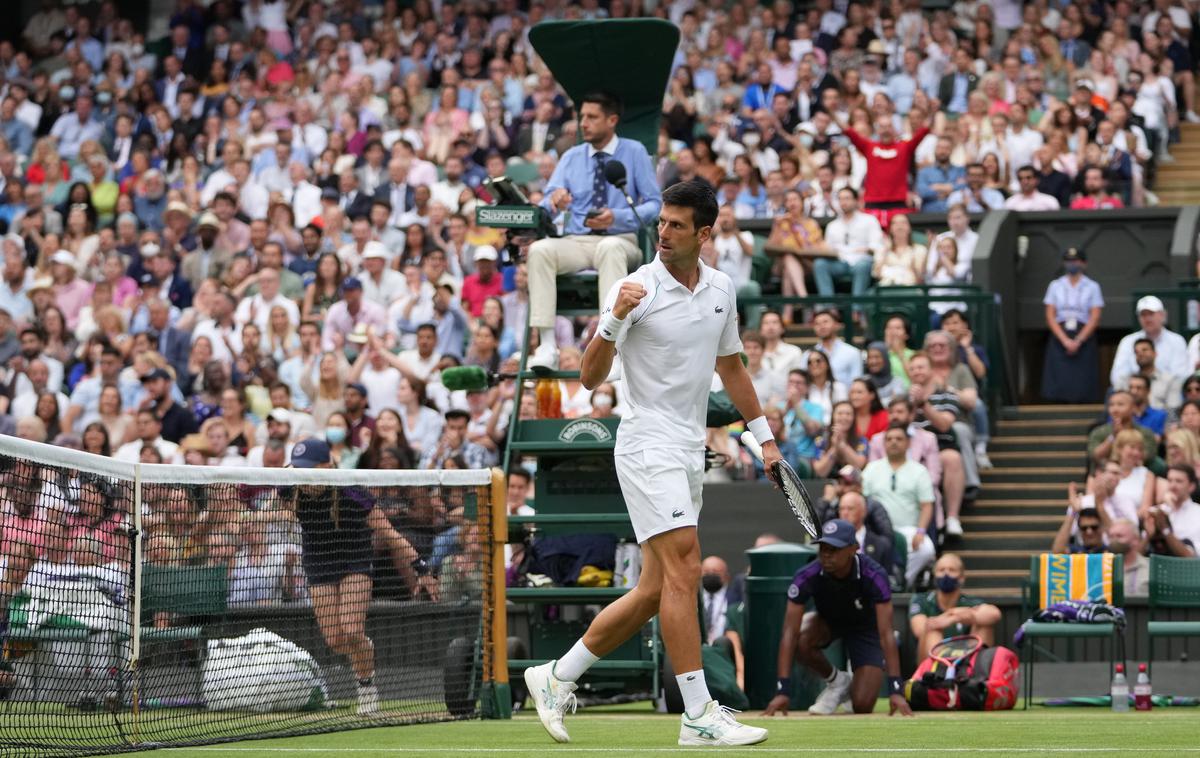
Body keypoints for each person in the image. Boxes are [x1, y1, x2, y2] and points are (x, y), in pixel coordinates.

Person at [524, 181, 770, 747]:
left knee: (656, 590)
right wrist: (612, 319)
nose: (663, 232)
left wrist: (765, 439)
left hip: (686, 448)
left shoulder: (721, 289)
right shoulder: (635, 288)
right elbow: (588, 378)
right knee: (687, 567)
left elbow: (732, 368)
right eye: (661, 222)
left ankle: (556, 675)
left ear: (704, 234)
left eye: (677, 225)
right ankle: (698, 715)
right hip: (644, 444)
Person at [526, 92, 662, 372]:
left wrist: (618, 217)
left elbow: (654, 204)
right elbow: (545, 206)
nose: (583, 123)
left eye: (591, 117)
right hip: (577, 240)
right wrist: (554, 201)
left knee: (609, 248)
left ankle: (609, 344)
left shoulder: (634, 151)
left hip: (620, 240)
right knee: (539, 250)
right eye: (582, 117)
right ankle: (547, 345)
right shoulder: (571, 156)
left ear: (612, 120)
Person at [761, 519, 912, 717]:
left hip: (865, 629)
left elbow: (886, 633)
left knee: (862, 705)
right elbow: (789, 633)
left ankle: (855, 677)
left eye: (834, 549)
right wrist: (782, 690)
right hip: (827, 622)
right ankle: (838, 682)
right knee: (801, 635)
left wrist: (895, 690)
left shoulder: (875, 575)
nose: (826, 555)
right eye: (823, 548)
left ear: (853, 549)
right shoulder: (806, 575)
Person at [285, 439, 380, 715]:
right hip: (319, 564)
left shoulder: (351, 492)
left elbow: (386, 530)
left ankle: (366, 685)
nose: (302, 476)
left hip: (354, 559)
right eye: (298, 469)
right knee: (336, 640)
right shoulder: (288, 487)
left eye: (309, 469)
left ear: (326, 466)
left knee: (351, 630)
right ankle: (363, 650)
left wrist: (417, 564)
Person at [862, 422, 936, 587]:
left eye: (899, 439)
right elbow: (863, 501)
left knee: (926, 550)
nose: (893, 442)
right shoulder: (871, 469)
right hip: (877, 531)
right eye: (889, 439)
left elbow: (926, 505)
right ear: (884, 443)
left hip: (909, 530)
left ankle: (903, 582)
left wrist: (921, 531)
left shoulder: (919, 471)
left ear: (908, 443)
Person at [907, 554, 1001, 660]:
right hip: (931, 662)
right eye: (941, 570)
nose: (946, 574)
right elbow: (919, 629)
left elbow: (995, 614)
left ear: (961, 578)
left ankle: (975, 673)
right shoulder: (922, 599)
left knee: (985, 624)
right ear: (935, 576)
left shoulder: (969, 602)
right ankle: (940, 672)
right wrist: (951, 617)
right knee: (932, 629)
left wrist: (954, 617)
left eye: (952, 570)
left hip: (966, 658)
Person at [1041, 247, 1103, 403]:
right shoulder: (1055, 285)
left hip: (1083, 331)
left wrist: (1079, 340)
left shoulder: (1092, 286)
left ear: (1083, 263)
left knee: (1083, 373)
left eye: (1075, 261)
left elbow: (1095, 316)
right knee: (1058, 372)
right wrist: (1064, 340)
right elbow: (1050, 315)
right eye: (1069, 261)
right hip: (1061, 331)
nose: (1072, 264)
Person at [813, 188, 885, 305]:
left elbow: (877, 244)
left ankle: (856, 310)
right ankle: (829, 307)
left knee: (863, 265)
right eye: (840, 199)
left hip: (861, 260)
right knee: (820, 264)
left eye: (847, 198)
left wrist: (867, 249)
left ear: (856, 200)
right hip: (840, 262)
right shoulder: (833, 226)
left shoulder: (869, 220)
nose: (843, 202)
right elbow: (828, 249)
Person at [1111, 296, 1190, 391]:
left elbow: (1181, 376)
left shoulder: (1177, 340)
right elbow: (1117, 377)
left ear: (1163, 315)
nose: (1147, 319)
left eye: (1151, 314)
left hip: (1166, 394)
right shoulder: (1127, 341)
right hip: (1134, 393)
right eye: (1143, 315)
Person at [1107, 519, 1150, 596]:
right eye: (1111, 537)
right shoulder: (1102, 568)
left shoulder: (1150, 568)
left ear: (1135, 540)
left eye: (1119, 536)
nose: (1114, 541)